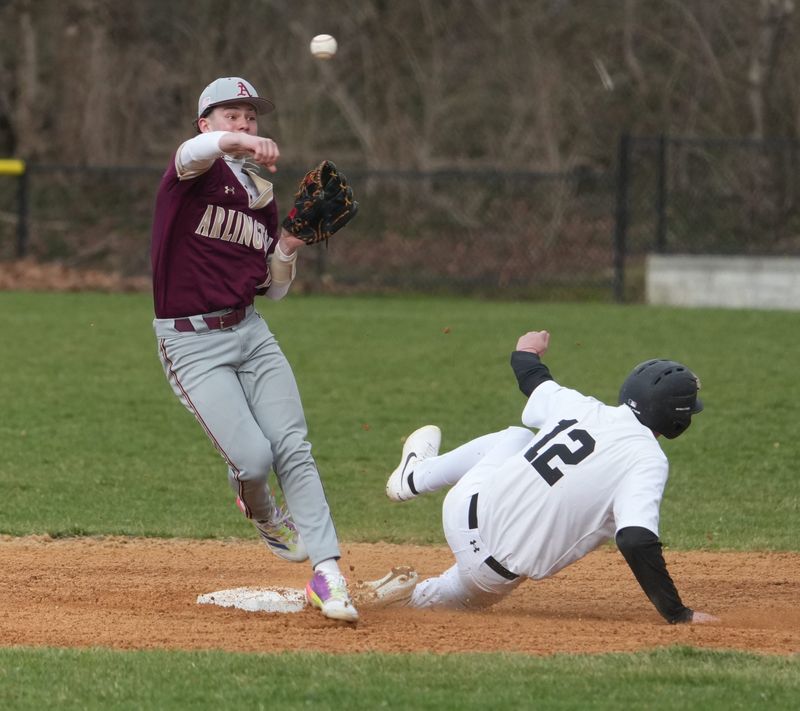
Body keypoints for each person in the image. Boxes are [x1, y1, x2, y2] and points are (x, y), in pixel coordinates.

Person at [150, 76, 358, 622]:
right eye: (230, 115)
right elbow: (192, 153)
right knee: (253, 459)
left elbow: (274, 288)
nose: (243, 123)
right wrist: (234, 145)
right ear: (205, 122)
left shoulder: (260, 195)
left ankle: (329, 574)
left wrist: (289, 243)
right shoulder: (191, 173)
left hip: (251, 332)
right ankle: (262, 510)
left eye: (251, 117)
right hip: (191, 343)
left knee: (293, 446)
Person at [358, 330, 718, 625]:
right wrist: (678, 614)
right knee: (469, 587)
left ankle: (382, 579)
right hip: (494, 577)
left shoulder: (582, 406)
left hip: (464, 512)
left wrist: (528, 349)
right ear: (677, 423)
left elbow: (532, 376)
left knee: (516, 437)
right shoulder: (647, 459)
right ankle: (413, 482)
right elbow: (636, 539)